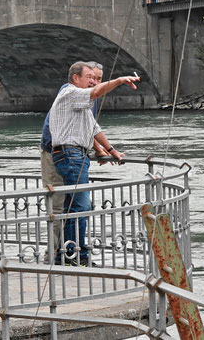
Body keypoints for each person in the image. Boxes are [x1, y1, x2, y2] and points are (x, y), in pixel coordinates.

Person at [49, 62, 138, 266]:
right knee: (80, 206)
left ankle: (68, 255)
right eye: (88, 76)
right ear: (75, 78)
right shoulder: (70, 93)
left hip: (76, 154)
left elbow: (93, 128)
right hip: (70, 154)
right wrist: (119, 80)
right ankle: (76, 257)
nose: (92, 80)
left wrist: (111, 150)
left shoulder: (80, 103)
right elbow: (97, 92)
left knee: (74, 207)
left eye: (94, 77)